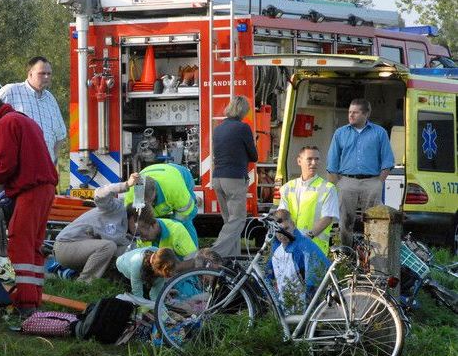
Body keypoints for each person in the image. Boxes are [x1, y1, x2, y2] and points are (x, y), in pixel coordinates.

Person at [0, 95, 57, 314]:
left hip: (31, 190)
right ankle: (34, 296)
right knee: (35, 244)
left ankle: (23, 302)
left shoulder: (5, 123)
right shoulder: (24, 120)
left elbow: (6, 162)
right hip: (44, 188)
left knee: (19, 241)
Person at [326, 98, 394, 246]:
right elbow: (332, 163)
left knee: (373, 220)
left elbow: (387, 161)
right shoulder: (340, 133)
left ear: (366, 114)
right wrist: (339, 183)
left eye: (355, 113)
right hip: (347, 181)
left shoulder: (379, 133)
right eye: (350, 112)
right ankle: (346, 254)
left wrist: (378, 183)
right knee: (345, 221)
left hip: (372, 181)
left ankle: (372, 258)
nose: (351, 115)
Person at [53, 173, 141, 283]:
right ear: (133, 219)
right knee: (108, 246)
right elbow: (100, 194)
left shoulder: (126, 236)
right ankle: (83, 284)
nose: (140, 232)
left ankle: (109, 281)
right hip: (65, 246)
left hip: (80, 250)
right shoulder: (114, 208)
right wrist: (127, 184)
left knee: (125, 252)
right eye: (142, 227)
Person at [0, 56, 66, 164]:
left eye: (49, 73)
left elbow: (60, 135)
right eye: (42, 73)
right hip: (18, 167)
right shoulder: (11, 91)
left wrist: (52, 160)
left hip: (44, 169)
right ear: (30, 73)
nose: (46, 77)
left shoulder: (51, 99)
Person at [210, 95, 258, 257]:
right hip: (234, 178)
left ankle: (231, 259)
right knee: (238, 220)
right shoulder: (243, 128)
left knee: (228, 221)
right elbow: (254, 156)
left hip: (217, 178)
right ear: (243, 110)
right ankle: (214, 253)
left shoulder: (218, 128)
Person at [265, 209, 330, 314]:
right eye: (278, 231)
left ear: (293, 225)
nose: (283, 234)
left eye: (286, 228)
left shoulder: (303, 247)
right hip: (288, 304)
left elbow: (313, 281)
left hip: (303, 305)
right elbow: (269, 277)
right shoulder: (276, 249)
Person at [278, 146, 339, 254]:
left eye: (317, 159)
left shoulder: (328, 188)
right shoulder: (288, 187)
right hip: (290, 246)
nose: (314, 162)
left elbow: (327, 218)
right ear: (299, 161)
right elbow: (282, 215)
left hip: (315, 248)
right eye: (309, 159)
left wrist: (307, 237)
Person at [124, 163, 199, 245]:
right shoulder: (132, 193)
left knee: (186, 223)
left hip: (180, 174)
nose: (145, 207)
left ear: (154, 193)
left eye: (148, 203)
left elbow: (185, 212)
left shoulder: (175, 190)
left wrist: (174, 229)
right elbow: (130, 220)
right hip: (158, 172)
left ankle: (193, 252)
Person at [132, 206, 198, 261]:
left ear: (154, 225)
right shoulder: (142, 233)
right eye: (138, 236)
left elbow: (193, 261)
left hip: (181, 273)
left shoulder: (176, 230)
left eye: (143, 236)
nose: (141, 240)